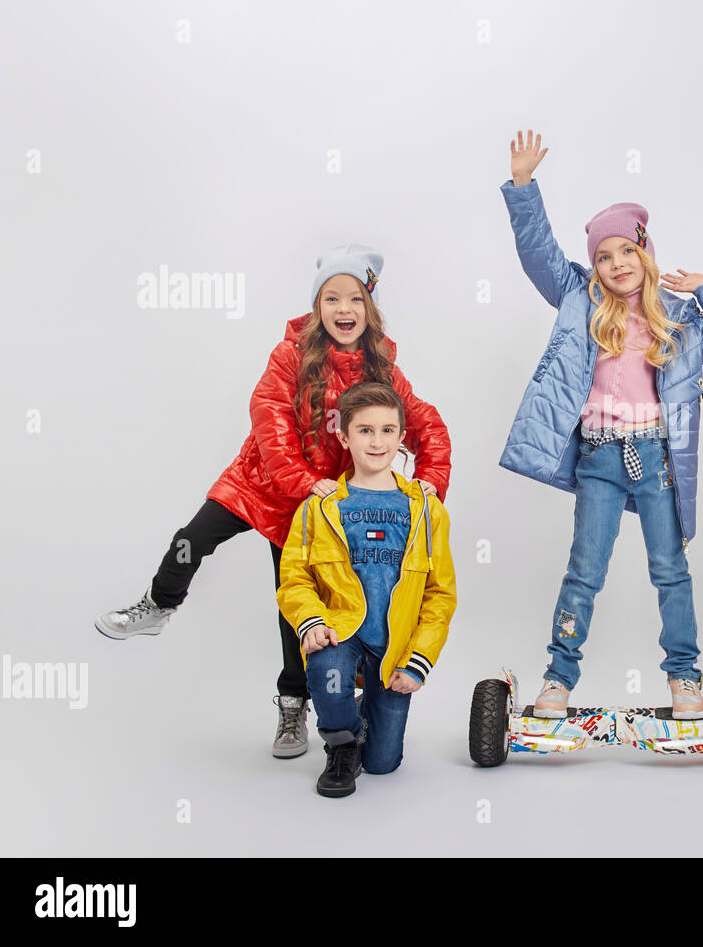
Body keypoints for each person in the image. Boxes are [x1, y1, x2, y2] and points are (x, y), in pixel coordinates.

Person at [95, 245, 452, 759]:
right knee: (189, 542)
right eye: (332, 298)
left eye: (355, 298)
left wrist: (431, 486)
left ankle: (293, 704)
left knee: (294, 607)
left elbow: (425, 424)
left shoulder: (383, 372)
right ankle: (158, 605)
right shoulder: (290, 356)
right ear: (317, 306)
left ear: (369, 309)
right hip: (263, 482)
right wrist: (301, 480)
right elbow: (269, 417)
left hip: (314, 508)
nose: (343, 309)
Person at [499, 129, 703, 720]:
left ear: (646, 253)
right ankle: (559, 677)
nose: (615, 265)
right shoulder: (578, 301)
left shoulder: (679, 322)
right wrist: (524, 188)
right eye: (603, 257)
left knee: (670, 569)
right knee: (585, 569)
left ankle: (685, 680)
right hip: (599, 459)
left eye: (626, 252)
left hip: (658, 459)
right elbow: (538, 254)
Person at [277, 381, 455, 797]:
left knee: (382, 765)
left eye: (388, 430)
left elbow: (440, 595)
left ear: (401, 436)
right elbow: (294, 577)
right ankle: (340, 743)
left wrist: (418, 661)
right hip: (341, 629)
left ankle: (363, 716)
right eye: (365, 430)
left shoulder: (427, 510)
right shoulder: (321, 506)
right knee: (328, 670)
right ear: (344, 435)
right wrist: (310, 621)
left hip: (394, 644)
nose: (377, 441)